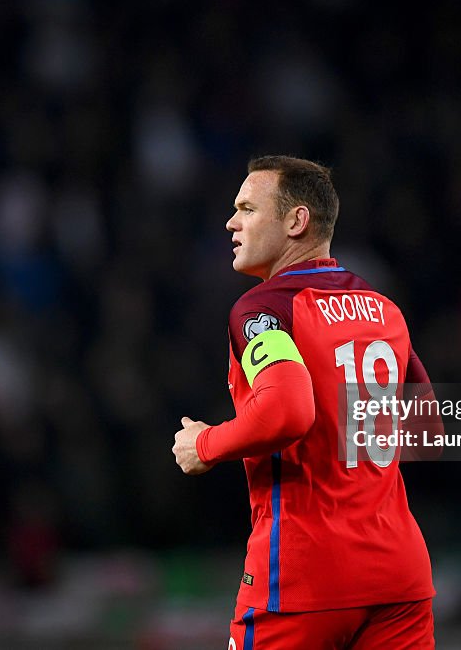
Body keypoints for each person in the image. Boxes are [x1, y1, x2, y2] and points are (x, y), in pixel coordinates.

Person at [172, 156, 442, 649]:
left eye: (248, 209)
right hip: (399, 576)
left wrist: (204, 444)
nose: (232, 222)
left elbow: (288, 410)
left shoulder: (264, 308)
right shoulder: (384, 309)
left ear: (296, 222)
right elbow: (429, 431)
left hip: (302, 579)